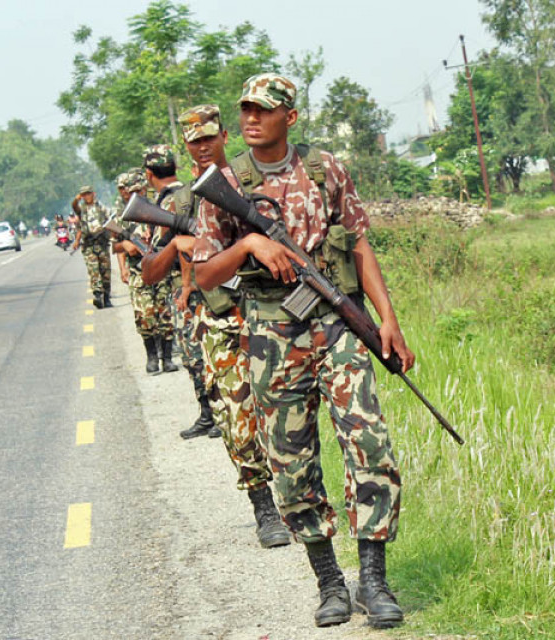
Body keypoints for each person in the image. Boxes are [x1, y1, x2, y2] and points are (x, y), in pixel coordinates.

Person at [192, 73, 411, 629]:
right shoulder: (225, 183)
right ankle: (330, 582)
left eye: (263, 110)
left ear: (289, 116)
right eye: (245, 109)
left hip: (337, 325)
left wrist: (387, 319)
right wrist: (250, 242)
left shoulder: (324, 169)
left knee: (370, 444)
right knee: (291, 462)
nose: (250, 118)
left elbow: (358, 243)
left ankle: (374, 581)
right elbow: (203, 274)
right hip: (271, 335)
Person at [165, 103, 290, 547]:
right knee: (237, 414)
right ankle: (264, 509)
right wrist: (179, 246)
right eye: (193, 142)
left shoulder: (251, 178)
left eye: (208, 138)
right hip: (220, 317)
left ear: (223, 137)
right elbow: (155, 265)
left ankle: (299, 498)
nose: (202, 147)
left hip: (270, 309)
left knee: (285, 407)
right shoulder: (183, 200)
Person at [140, 144, 218, 439]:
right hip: (193, 284)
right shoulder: (180, 195)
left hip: (191, 287)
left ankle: (214, 413)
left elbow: (184, 246)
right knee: (194, 354)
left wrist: (185, 286)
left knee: (197, 354)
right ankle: (209, 414)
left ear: (149, 174)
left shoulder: (173, 201)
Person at [111, 168, 178, 375]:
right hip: (138, 272)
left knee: (165, 314)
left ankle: (167, 358)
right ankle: (152, 357)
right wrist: (125, 248)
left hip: (161, 267)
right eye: (131, 191)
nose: (135, 194)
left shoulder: (157, 208)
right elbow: (115, 246)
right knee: (144, 315)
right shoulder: (123, 216)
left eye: (139, 190)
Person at [72, 186, 113, 308]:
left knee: (105, 272)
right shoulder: (81, 209)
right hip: (89, 245)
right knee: (94, 271)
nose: (87, 196)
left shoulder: (101, 207)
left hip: (102, 243)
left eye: (88, 193)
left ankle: (106, 298)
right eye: (84, 195)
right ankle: (97, 295)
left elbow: (110, 221)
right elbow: (74, 207)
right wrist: (77, 241)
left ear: (93, 194)